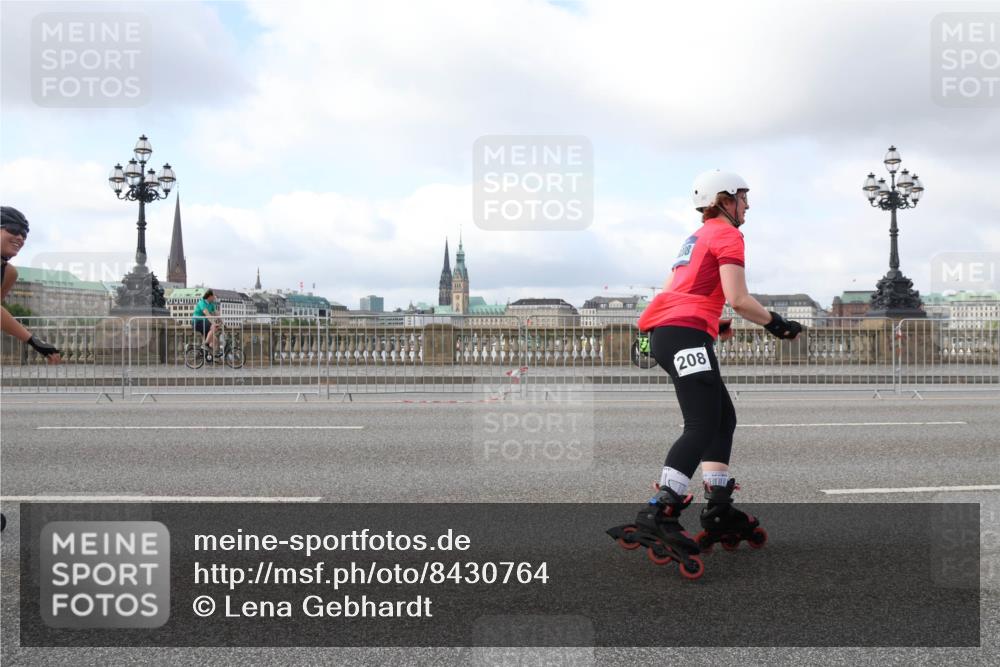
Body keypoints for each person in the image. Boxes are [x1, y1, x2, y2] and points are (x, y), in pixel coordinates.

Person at [611, 171, 803, 575]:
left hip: (674, 332)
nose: (748, 205)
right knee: (700, 424)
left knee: (721, 419)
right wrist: (775, 323)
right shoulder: (728, 235)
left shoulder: (694, 238)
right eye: (744, 198)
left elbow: (675, 291)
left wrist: (711, 324)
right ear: (726, 199)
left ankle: (718, 507)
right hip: (683, 336)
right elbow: (738, 298)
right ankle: (661, 511)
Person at [1, 206, 62, 532]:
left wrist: (34, 341)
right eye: (12, 230)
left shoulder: (8, 274)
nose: (20, 237)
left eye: (25, 233)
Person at [191, 289, 223, 357]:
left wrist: (222, 321)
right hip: (197, 322)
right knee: (214, 327)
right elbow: (207, 314)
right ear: (210, 296)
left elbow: (216, 313)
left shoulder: (211, 304)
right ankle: (205, 345)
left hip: (204, 323)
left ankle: (209, 356)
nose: (214, 297)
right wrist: (213, 324)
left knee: (215, 340)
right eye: (213, 296)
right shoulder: (202, 303)